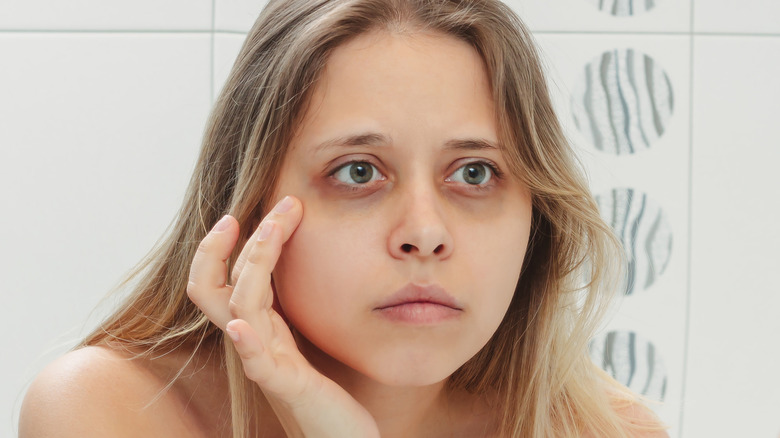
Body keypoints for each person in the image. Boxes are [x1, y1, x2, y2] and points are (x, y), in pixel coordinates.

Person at [19, 0, 669, 436]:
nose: (425, 232)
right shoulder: (110, 410)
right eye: (358, 171)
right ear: (245, 207)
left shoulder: (607, 430)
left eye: (474, 173)